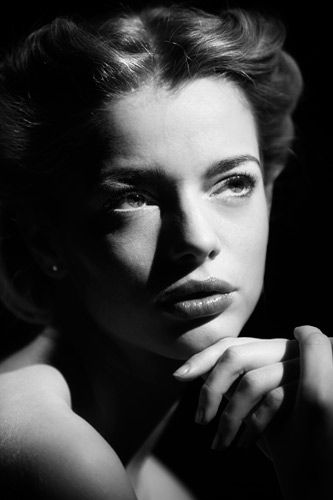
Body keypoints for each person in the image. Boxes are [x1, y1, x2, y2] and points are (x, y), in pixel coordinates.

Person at [0, 4, 331, 499]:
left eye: (233, 183)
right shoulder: (56, 453)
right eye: (132, 197)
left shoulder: (154, 483)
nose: (197, 240)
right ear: (45, 238)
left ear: (270, 193)